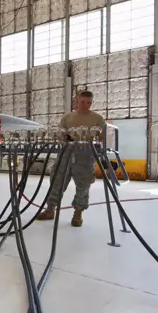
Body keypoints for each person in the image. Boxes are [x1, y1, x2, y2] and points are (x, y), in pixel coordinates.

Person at [37, 90, 106, 227]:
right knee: (57, 180)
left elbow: (103, 137)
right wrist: (65, 137)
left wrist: (98, 146)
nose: (86, 105)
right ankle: (50, 209)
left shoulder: (97, 119)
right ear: (77, 101)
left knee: (83, 183)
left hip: (86, 154)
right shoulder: (67, 118)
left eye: (89, 103)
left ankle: (78, 214)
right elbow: (60, 133)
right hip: (66, 152)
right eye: (83, 102)